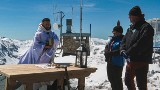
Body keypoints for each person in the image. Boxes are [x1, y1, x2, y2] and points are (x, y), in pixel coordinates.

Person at [18, 18, 59, 90]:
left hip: (47, 57)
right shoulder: (38, 33)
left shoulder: (52, 33)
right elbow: (35, 46)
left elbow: (57, 40)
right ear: (42, 24)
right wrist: (45, 45)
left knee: (48, 75)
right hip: (38, 57)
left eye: (48, 24)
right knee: (35, 76)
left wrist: (53, 42)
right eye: (46, 24)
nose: (47, 25)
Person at [120, 6, 154, 90]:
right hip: (131, 61)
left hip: (141, 60)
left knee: (141, 84)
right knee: (128, 81)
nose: (129, 18)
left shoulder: (146, 27)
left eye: (130, 16)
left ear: (136, 16)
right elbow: (123, 40)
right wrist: (122, 50)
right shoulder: (131, 28)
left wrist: (128, 52)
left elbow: (142, 43)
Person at [104, 21, 124, 90]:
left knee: (117, 80)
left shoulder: (122, 40)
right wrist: (106, 51)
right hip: (110, 63)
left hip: (117, 64)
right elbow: (107, 46)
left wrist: (110, 53)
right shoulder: (112, 39)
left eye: (115, 32)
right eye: (113, 32)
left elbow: (120, 50)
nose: (113, 33)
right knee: (111, 79)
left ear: (119, 32)